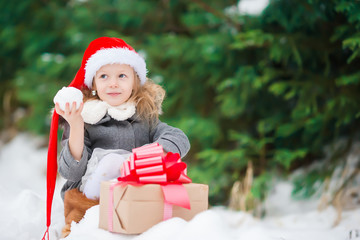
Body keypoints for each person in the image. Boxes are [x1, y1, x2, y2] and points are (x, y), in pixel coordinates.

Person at [43, 37, 190, 239]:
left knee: (154, 171)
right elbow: (71, 171)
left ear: (135, 83)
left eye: (122, 76)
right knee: (112, 160)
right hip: (91, 200)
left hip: (134, 196)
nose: (113, 83)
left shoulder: (144, 118)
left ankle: (126, 185)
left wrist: (154, 155)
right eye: (104, 76)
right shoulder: (84, 118)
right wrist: (76, 125)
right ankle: (98, 208)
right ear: (93, 82)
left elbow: (177, 137)